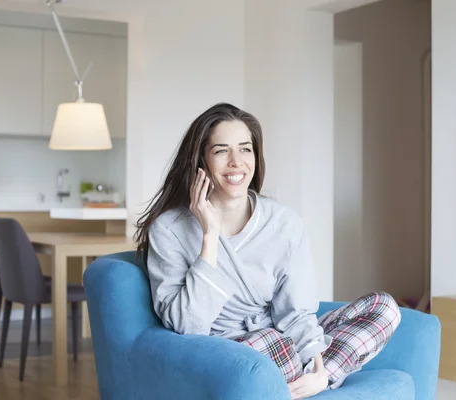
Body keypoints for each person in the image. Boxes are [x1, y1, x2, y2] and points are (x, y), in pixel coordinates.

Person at [135, 103, 401, 399]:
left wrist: (319, 368)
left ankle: (310, 383)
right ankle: (290, 379)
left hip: (282, 339)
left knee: (385, 307)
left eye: (245, 149)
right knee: (269, 344)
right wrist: (209, 236)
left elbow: (296, 312)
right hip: (227, 351)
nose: (236, 162)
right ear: (202, 161)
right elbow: (187, 326)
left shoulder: (284, 222)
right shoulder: (169, 230)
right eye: (222, 151)